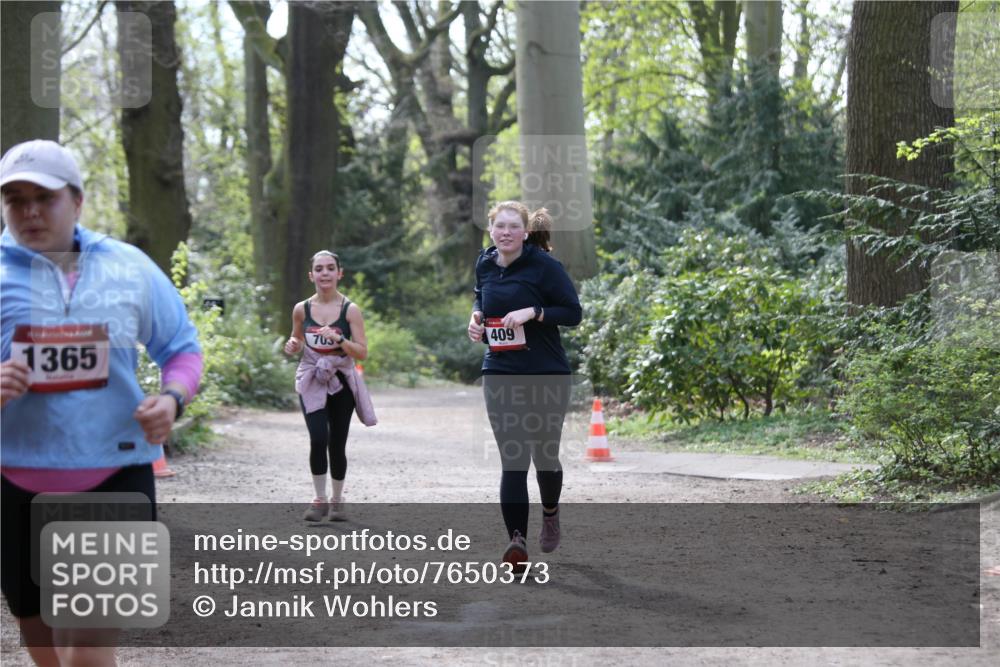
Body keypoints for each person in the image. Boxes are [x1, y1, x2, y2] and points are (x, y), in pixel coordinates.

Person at [0, 139, 202, 666]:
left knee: (87, 648)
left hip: (116, 472)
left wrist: (172, 399)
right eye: (15, 199)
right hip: (13, 479)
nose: (29, 212)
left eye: (44, 198)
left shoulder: (128, 266)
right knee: (41, 639)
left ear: (77, 201)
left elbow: (182, 348)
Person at [467, 202, 582, 571]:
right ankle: (516, 542)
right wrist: (476, 318)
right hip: (500, 370)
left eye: (513, 227)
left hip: (546, 373)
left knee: (545, 456)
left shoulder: (544, 266)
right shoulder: (485, 263)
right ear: (490, 230)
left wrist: (533, 312)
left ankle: (550, 511)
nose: (505, 233)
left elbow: (573, 312)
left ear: (526, 232)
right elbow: (481, 296)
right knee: (513, 457)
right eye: (499, 226)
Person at [284, 250, 376, 523]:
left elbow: (362, 352)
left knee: (337, 442)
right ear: (311, 275)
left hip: (341, 379)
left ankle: (337, 500)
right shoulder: (301, 309)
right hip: (312, 377)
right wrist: (293, 345)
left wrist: (340, 340)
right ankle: (319, 499)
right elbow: (297, 339)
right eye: (319, 269)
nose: (324, 273)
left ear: (339, 273)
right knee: (318, 437)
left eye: (330, 268)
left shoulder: (350, 310)